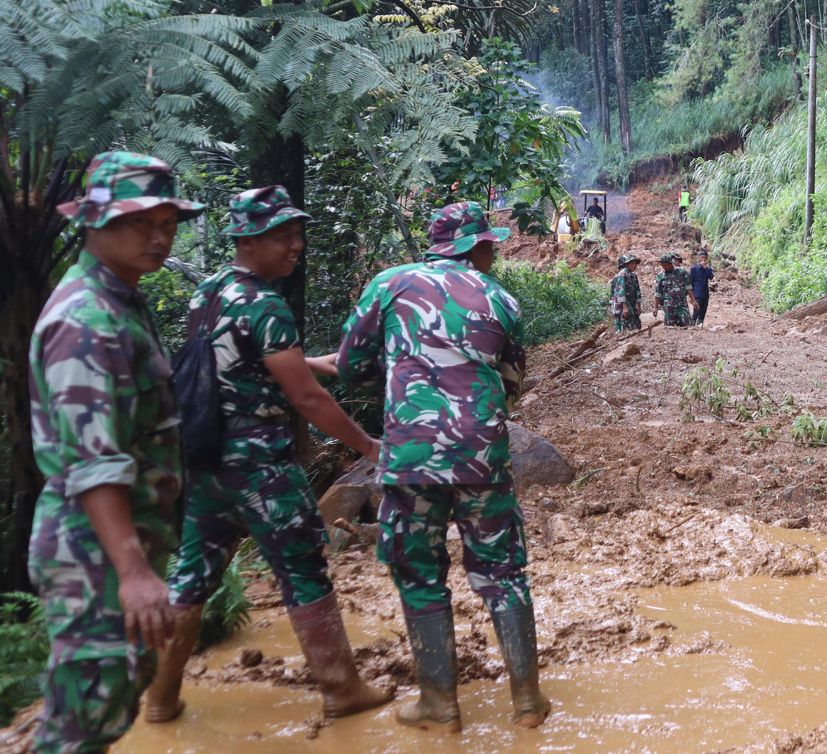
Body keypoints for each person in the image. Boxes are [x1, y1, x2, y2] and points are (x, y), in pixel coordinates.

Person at [144, 186, 392, 724]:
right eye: (284, 236)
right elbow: (305, 398)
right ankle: (341, 688)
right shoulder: (265, 303)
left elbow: (236, 368)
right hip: (262, 468)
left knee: (192, 574)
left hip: (207, 460)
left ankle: (160, 698)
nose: (296, 245)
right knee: (304, 568)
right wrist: (368, 445)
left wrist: (311, 361)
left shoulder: (207, 293)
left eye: (297, 234)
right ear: (250, 241)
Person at [335, 201, 549, 733]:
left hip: (410, 457)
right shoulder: (501, 298)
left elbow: (351, 367)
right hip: (481, 455)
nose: (494, 250)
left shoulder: (390, 284)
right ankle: (527, 702)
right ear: (473, 246)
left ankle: (439, 704)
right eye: (489, 243)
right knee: (503, 574)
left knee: (420, 573)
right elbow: (513, 383)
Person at [28, 151, 203, 754]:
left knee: (108, 703)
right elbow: (91, 459)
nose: (159, 237)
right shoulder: (88, 320)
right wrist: (132, 571)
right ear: (95, 221)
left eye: (168, 222)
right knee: (84, 717)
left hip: (113, 545)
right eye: (141, 222)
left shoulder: (120, 300)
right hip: (95, 554)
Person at [654, 253, 691, 327]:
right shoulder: (661, 275)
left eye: (665, 264)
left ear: (670, 263)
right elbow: (658, 293)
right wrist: (655, 307)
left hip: (682, 303)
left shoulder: (682, 272)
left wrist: (693, 300)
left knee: (687, 325)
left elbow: (688, 287)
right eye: (662, 264)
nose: (663, 266)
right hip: (668, 305)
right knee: (669, 327)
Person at [610, 254, 643, 332]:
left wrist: (639, 306)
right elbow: (621, 292)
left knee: (636, 324)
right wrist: (624, 307)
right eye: (632, 263)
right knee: (624, 325)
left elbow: (637, 292)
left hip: (631, 303)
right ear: (626, 264)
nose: (634, 265)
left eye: (635, 263)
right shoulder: (622, 275)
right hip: (622, 304)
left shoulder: (633, 276)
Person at [688, 251, 714, 327]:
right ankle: (692, 326)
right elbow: (691, 282)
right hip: (697, 294)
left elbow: (711, 277)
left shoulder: (708, 269)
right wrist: (690, 296)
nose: (703, 259)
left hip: (705, 294)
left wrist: (705, 268)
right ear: (699, 258)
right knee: (696, 310)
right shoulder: (694, 269)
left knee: (703, 311)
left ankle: (699, 326)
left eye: (705, 258)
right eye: (702, 257)